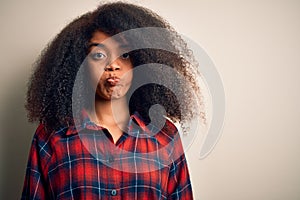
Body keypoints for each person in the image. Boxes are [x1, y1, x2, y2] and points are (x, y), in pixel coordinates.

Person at [22, 2, 204, 199]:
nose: (113, 65)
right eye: (99, 55)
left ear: (142, 60)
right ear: (79, 64)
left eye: (125, 54)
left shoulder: (165, 137)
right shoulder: (51, 137)